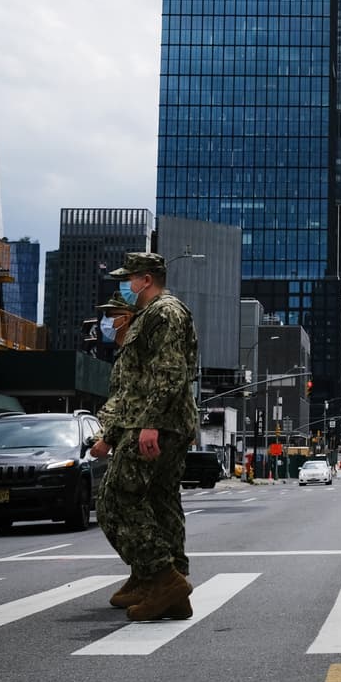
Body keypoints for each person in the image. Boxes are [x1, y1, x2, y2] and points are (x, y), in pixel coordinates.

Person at [95, 252, 199, 621]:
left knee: (116, 498)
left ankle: (161, 576)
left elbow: (168, 371)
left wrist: (149, 423)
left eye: (131, 279)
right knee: (160, 501)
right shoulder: (155, 314)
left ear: (147, 279)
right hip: (161, 422)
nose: (127, 286)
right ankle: (168, 587)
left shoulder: (163, 312)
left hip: (154, 423)